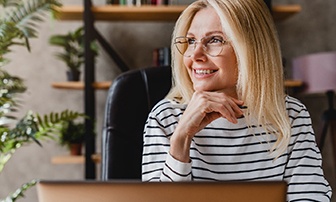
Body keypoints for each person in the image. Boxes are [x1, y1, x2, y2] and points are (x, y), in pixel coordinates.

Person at [141, 0, 332, 201]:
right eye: (190, 41)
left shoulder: (292, 116)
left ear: (251, 48)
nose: (195, 55)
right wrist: (180, 140)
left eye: (214, 40)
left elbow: (311, 197)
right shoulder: (165, 117)